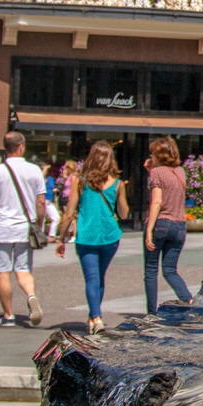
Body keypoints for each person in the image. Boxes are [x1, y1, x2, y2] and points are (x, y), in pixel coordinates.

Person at [59, 140, 128, 333]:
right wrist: (121, 194)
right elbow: (123, 214)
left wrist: (60, 239)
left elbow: (69, 213)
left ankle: (96, 318)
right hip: (109, 237)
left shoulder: (79, 181)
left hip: (87, 236)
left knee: (92, 278)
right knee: (99, 277)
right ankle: (93, 317)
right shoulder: (117, 183)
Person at [0, 131, 47, 327]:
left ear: (5, 148)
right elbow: (41, 201)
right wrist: (39, 224)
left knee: (3, 272)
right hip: (25, 228)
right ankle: (31, 295)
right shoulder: (34, 170)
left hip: (1, 227)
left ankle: (8, 315)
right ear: (21, 147)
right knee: (23, 269)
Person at [142, 136, 194, 312]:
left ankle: (152, 312)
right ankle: (188, 299)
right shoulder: (180, 172)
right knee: (170, 270)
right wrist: (152, 171)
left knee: (150, 270)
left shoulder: (157, 173)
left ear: (159, 154)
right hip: (179, 226)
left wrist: (149, 229)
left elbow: (157, 202)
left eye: (152, 153)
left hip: (161, 224)